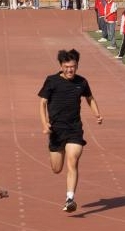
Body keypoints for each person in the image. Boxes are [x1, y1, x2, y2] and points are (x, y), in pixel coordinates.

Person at [38, 48, 103, 212]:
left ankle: (70, 198)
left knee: (72, 160)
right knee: (57, 169)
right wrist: (45, 124)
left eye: (73, 66)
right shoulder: (52, 81)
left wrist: (97, 114)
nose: (70, 70)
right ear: (61, 66)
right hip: (56, 131)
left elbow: (90, 98)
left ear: (77, 66)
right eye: (66, 66)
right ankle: (58, 155)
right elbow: (42, 103)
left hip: (74, 129)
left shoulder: (82, 82)